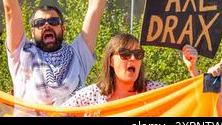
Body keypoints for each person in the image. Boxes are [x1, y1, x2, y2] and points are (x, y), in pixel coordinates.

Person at [62, 33, 200, 107]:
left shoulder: (154, 91)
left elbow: (193, 100)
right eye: (125, 54)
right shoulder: (90, 96)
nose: (133, 58)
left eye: (138, 54)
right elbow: (55, 113)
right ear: (111, 61)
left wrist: (193, 69)